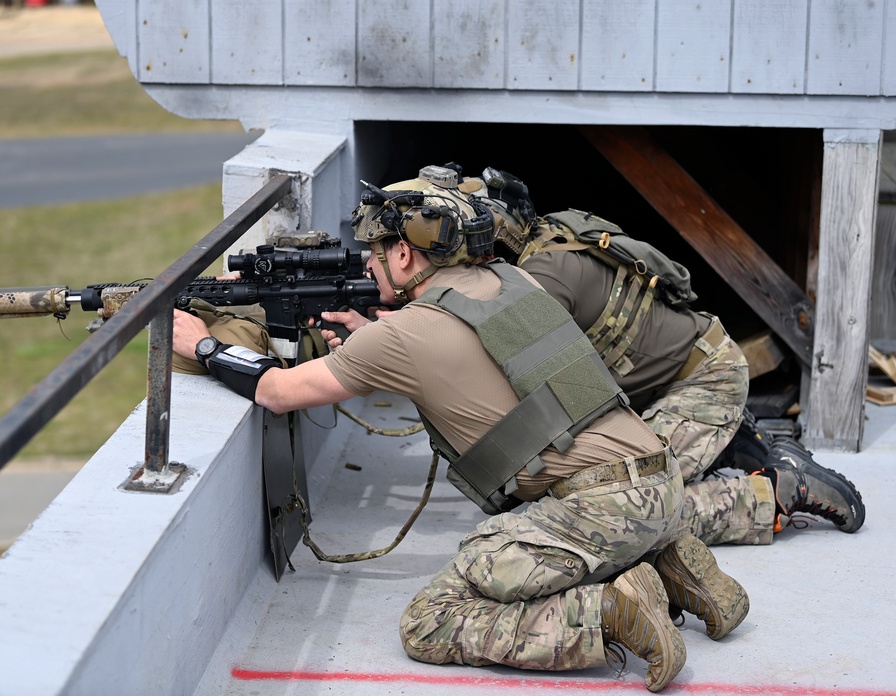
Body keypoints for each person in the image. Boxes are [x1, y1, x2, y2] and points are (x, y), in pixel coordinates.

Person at [172, 166, 750, 692]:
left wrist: (199, 344)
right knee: (566, 530)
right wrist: (375, 342)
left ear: (404, 255)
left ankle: (611, 614)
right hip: (660, 481)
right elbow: (473, 359)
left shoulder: (400, 335)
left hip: (600, 506)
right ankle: (676, 570)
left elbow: (276, 391)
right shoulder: (511, 281)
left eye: (375, 251)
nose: (369, 264)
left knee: (431, 620)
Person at [463, 166, 865, 547]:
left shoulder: (542, 279)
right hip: (665, 382)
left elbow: (530, 397)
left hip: (702, 381)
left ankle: (779, 491)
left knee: (619, 511)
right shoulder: (548, 241)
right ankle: (721, 441)